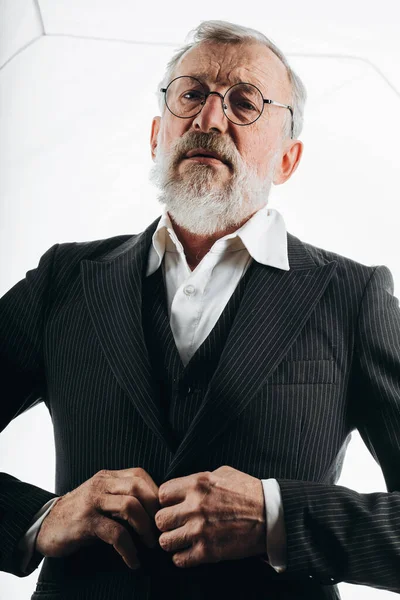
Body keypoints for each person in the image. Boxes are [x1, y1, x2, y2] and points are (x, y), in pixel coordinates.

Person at [1, 19, 399, 600]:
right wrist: (39, 518)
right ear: (157, 133)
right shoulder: (64, 279)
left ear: (288, 159)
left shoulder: (353, 298)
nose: (209, 120)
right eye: (191, 94)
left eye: (245, 103)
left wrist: (276, 516)